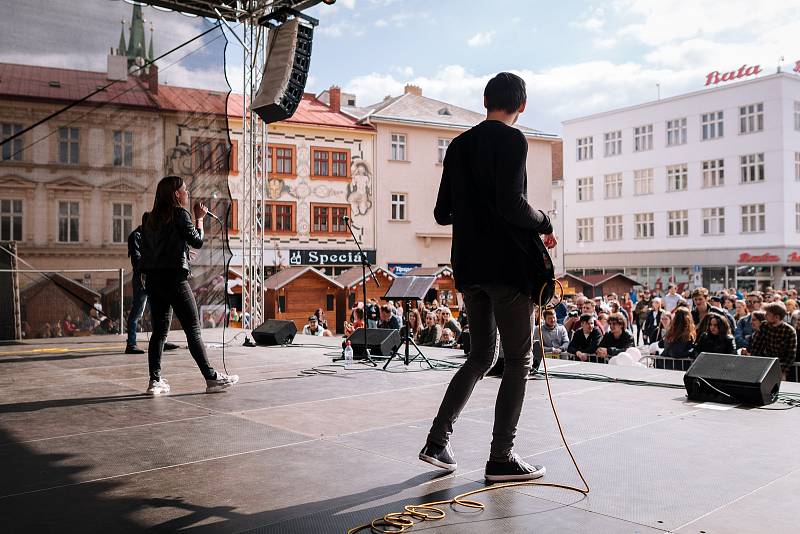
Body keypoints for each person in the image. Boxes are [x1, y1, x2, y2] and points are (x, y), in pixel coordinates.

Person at [420, 72, 557, 483]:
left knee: (480, 356)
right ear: (522, 106)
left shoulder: (459, 146)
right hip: (505, 268)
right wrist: (545, 221)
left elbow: (442, 213)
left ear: (484, 100)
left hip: (468, 268)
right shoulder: (513, 140)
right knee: (519, 359)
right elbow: (512, 204)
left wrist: (471, 212)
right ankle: (501, 457)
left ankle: (437, 441)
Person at [139, 176, 238, 395]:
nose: (187, 193)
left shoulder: (149, 219)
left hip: (155, 282)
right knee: (193, 329)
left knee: (159, 332)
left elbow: (154, 250)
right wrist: (199, 219)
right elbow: (197, 240)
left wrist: (181, 252)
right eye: (184, 190)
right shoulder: (179, 213)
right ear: (176, 194)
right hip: (175, 280)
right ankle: (212, 378)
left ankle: (154, 381)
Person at [126, 213, 178, 354]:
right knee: (138, 310)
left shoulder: (151, 236)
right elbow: (137, 260)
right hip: (142, 277)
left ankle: (161, 340)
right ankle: (131, 344)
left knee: (157, 310)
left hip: (152, 276)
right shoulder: (136, 236)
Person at [745, 302, 797, 378]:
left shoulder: (789, 331)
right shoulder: (764, 325)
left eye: (768, 314)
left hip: (782, 367)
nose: (765, 316)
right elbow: (757, 346)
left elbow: (791, 354)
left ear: (776, 317)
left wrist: (782, 371)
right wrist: (754, 364)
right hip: (766, 365)